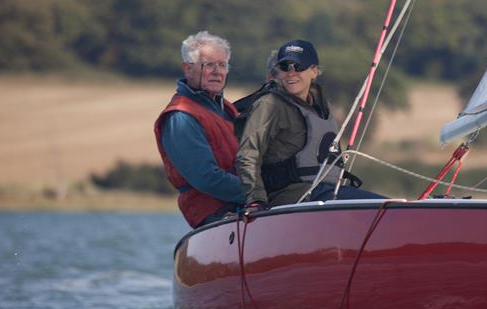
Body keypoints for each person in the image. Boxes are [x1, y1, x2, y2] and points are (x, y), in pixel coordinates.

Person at [235, 39, 385, 210]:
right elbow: (247, 155)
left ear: (314, 71)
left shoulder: (321, 106)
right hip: (295, 199)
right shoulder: (269, 105)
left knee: (384, 206)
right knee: (381, 208)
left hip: (327, 193)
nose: (291, 73)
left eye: (298, 67)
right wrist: (256, 201)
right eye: (285, 67)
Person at [154, 31, 245, 228]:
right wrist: (259, 191)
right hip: (216, 215)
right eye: (209, 65)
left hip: (244, 207)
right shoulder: (181, 116)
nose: (217, 72)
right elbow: (206, 177)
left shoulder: (227, 109)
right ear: (187, 68)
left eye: (222, 65)